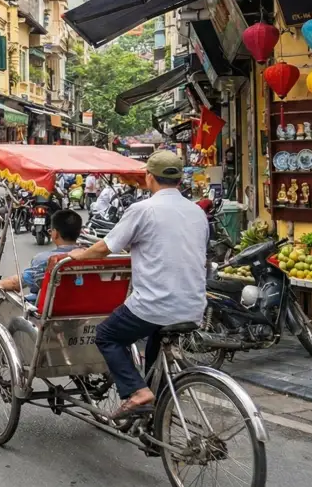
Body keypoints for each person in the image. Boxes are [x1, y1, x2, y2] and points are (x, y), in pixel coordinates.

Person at [68, 150, 207, 420]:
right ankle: (158, 417)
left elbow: (104, 248)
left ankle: (137, 391)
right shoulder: (196, 212)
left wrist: (78, 255)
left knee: (107, 335)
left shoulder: (143, 209)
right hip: (193, 306)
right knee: (155, 345)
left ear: (149, 178)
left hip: (154, 305)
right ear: (179, 179)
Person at [0, 209, 81, 302]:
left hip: (52, 308)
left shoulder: (46, 259)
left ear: (55, 233)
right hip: (86, 305)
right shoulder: (89, 255)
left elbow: (15, 283)